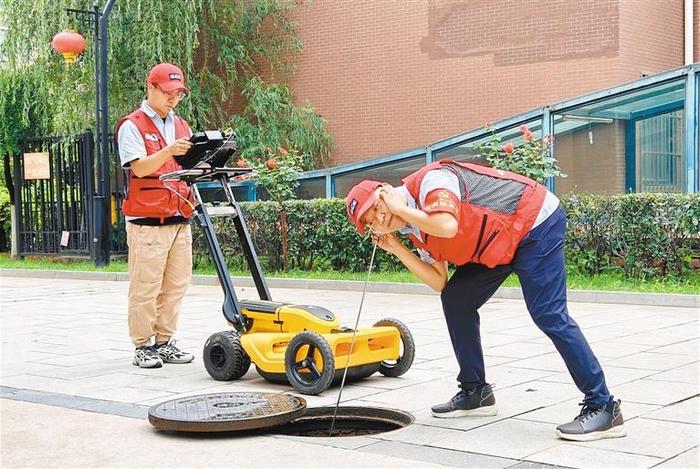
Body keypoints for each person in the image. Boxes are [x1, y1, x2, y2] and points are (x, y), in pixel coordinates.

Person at [345, 159, 626, 441]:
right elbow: (439, 281)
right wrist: (396, 248)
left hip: (535, 223)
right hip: (500, 240)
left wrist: (399, 209)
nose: (380, 221)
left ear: (385, 192)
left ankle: (603, 407)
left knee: (548, 314)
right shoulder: (413, 230)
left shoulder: (432, 182)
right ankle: (475, 392)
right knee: (456, 298)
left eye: (377, 209)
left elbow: (446, 225)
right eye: (371, 223)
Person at [115, 62, 196, 368]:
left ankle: (165, 341)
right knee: (146, 287)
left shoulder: (182, 126)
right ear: (151, 88)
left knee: (176, 285)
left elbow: (186, 168)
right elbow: (139, 168)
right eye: (167, 93)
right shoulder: (132, 125)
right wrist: (167, 151)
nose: (173, 99)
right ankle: (142, 345)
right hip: (147, 220)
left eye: (178, 93)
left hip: (179, 216)